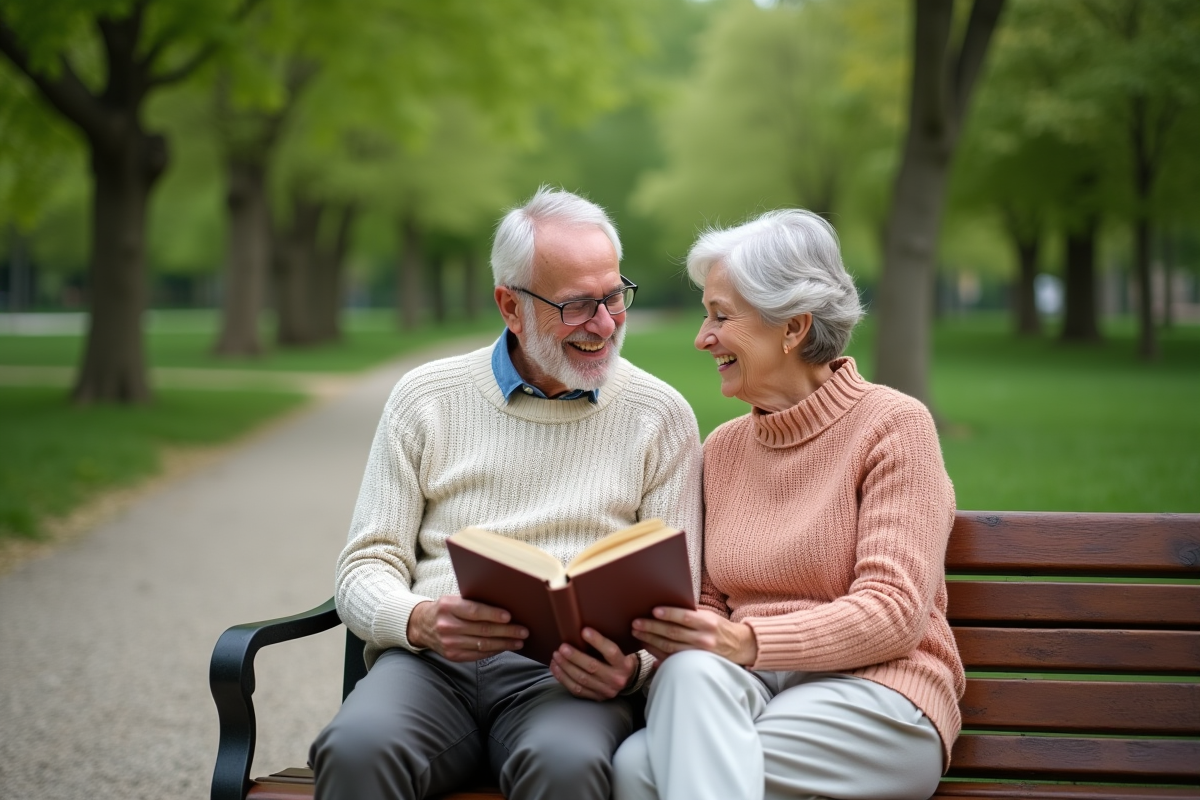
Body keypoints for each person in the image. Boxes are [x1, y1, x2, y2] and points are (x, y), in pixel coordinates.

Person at [310, 187, 703, 800]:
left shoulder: (661, 416)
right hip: (430, 668)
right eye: (577, 305)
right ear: (509, 305)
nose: (604, 324)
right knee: (356, 750)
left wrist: (633, 670)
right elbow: (366, 564)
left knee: (567, 766)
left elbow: (682, 596)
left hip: (566, 683)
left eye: (613, 296)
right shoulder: (425, 398)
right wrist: (417, 620)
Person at [613, 209, 964, 800]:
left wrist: (747, 642)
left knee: (644, 770)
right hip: (750, 689)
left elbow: (894, 612)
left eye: (721, 316)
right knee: (670, 709)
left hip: (877, 696)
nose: (703, 337)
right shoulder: (722, 450)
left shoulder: (893, 427)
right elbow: (709, 608)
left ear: (793, 328)